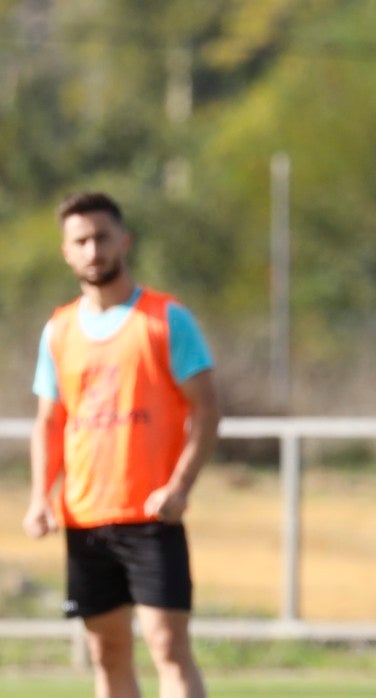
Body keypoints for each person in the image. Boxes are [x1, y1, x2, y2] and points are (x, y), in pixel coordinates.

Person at [23, 192, 220, 698]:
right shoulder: (59, 329)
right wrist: (40, 498)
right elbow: (49, 420)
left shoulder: (165, 319)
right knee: (106, 654)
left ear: (124, 241)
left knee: (167, 646)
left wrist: (179, 487)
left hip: (152, 515)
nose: (93, 250)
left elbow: (206, 410)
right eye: (81, 241)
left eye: (102, 237)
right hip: (86, 519)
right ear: (67, 251)